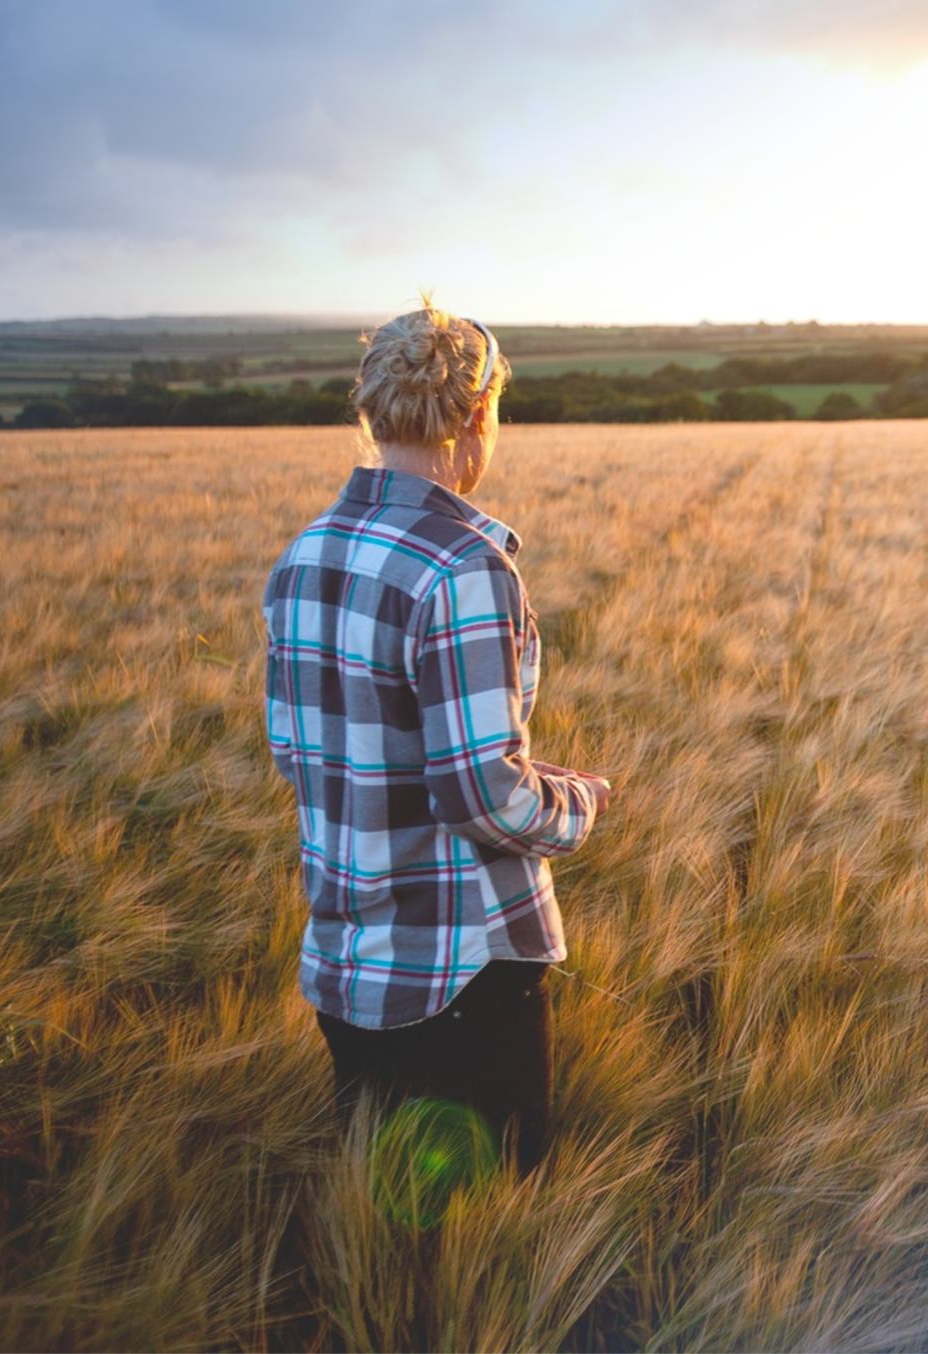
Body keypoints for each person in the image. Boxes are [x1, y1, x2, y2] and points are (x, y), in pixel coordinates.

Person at [262, 299, 611, 1175]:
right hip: (458, 974)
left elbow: (305, 749)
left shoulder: (304, 555)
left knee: (392, 1218)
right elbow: (477, 794)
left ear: (374, 413)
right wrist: (576, 807)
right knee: (490, 1218)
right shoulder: (463, 570)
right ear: (476, 416)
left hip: (346, 965)